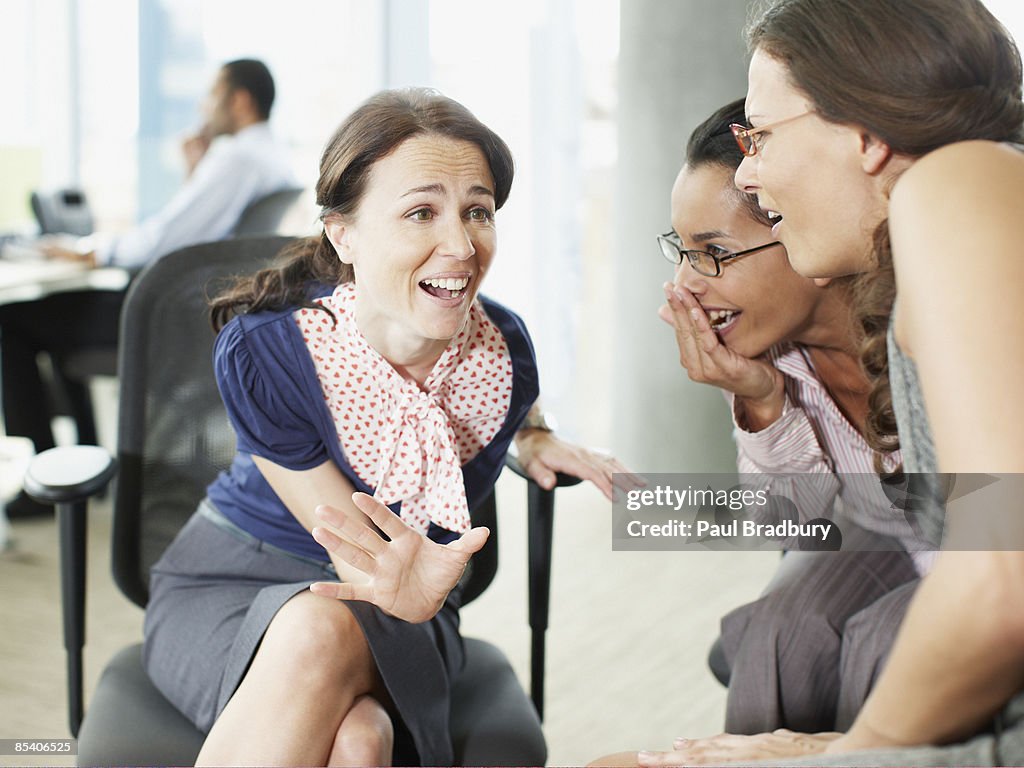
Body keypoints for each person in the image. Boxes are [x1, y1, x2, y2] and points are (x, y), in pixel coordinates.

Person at [143, 87, 633, 767]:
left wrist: (535, 435)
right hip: (240, 579)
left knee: (331, 654)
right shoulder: (270, 351)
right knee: (358, 738)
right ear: (344, 234)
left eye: (477, 211)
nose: (461, 244)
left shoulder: (504, 347)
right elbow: (361, 556)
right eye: (421, 213)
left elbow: (499, 402)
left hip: (404, 605)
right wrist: (417, 587)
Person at [637, 0, 1024, 764]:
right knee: (788, 622)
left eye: (762, 134)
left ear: (867, 131)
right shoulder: (934, 233)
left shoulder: (958, 180)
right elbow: (805, 523)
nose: (750, 171)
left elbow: (998, 580)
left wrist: (839, 755)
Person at [657, 97, 934, 737]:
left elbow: (986, 540)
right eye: (681, 249)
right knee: (779, 628)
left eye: (714, 252)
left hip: (987, 545)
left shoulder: (925, 331)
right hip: (875, 530)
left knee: (884, 645)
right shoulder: (771, 352)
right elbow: (797, 526)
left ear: (802, 228)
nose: (685, 284)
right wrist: (761, 401)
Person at [0, 58, 295, 517]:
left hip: (161, 317)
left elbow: (164, 239)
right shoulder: (270, 156)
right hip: (198, 312)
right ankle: (77, 470)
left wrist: (88, 250)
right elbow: (198, 234)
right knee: (56, 322)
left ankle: (43, 485)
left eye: (211, 95)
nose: (204, 106)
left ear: (239, 101)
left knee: (13, 320)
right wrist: (195, 171)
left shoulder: (236, 155)